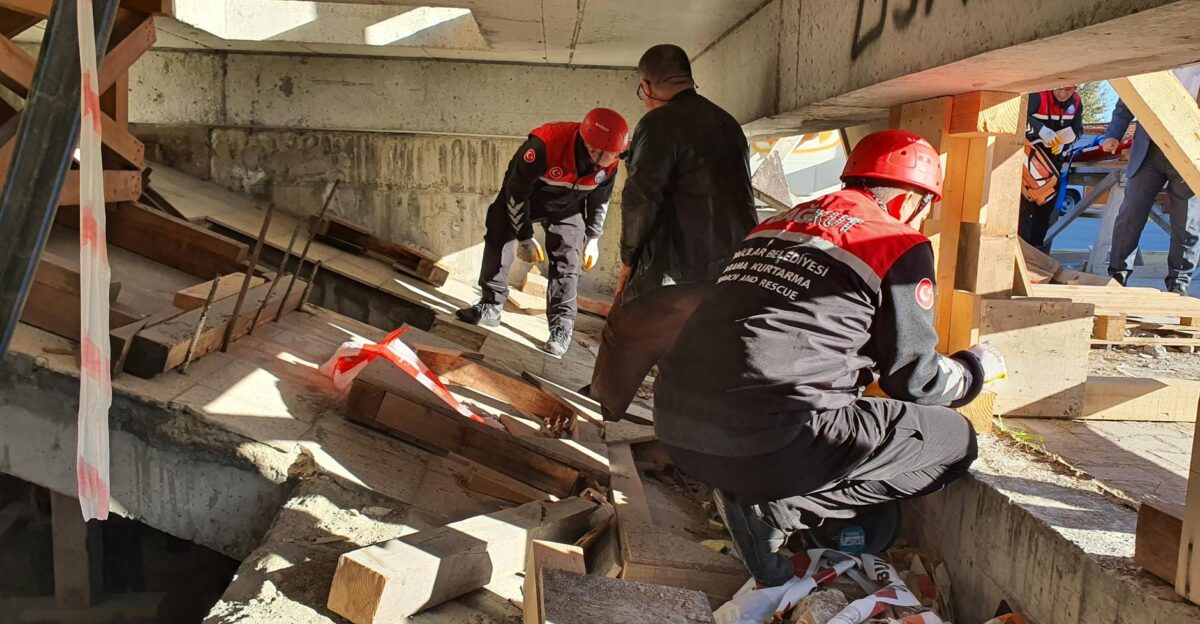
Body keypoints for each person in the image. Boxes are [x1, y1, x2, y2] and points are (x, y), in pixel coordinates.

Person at [652, 130, 1006, 586]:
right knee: (956, 444)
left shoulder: (774, 226)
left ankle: (761, 495)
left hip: (677, 429)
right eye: (926, 210)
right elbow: (913, 380)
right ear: (908, 203)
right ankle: (779, 509)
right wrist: (973, 370)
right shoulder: (896, 241)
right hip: (770, 444)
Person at [584, 44, 757, 420]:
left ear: (646, 86)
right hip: (736, 268)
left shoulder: (658, 123)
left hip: (679, 268)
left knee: (625, 330)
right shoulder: (727, 123)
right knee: (696, 351)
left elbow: (641, 198)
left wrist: (628, 263)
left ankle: (600, 413)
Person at [455, 108, 629, 356]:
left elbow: (600, 200)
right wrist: (524, 236)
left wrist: (593, 237)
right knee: (498, 234)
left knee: (569, 259)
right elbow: (515, 193)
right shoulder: (544, 144)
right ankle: (490, 304)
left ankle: (562, 326)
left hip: (568, 205)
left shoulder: (610, 162)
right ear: (587, 143)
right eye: (600, 154)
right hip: (528, 198)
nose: (604, 161)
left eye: (612, 156)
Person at [1101, 65, 1200, 295]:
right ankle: (1117, 276)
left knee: (1187, 223)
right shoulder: (1159, 63)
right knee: (1131, 213)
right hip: (1149, 150)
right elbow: (1128, 97)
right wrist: (1114, 133)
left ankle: (1178, 285)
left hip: (1189, 153)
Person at [1019, 85, 1084, 248]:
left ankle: (1036, 255)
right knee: (1022, 214)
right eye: (1060, 89)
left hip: (1053, 167)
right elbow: (1019, 114)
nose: (1063, 94)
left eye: (1068, 90)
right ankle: (1022, 255)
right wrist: (1040, 130)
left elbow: (1078, 130)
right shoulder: (1037, 95)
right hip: (1028, 164)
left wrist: (1065, 143)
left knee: (1044, 215)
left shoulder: (1076, 102)